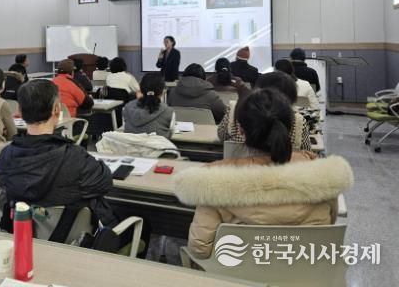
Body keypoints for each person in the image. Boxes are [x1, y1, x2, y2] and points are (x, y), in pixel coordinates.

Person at [174, 88, 353, 259]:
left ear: (241, 131)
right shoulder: (325, 176)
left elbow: (200, 249)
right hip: (308, 271)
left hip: (234, 274)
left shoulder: (212, 181)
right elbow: (328, 226)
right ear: (291, 128)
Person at [0, 79, 116, 226]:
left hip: (24, 233)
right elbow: (105, 182)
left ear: (19, 111)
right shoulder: (75, 158)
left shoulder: (5, 156)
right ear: (57, 110)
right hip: (72, 235)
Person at [218, 71, 312, 151]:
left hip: (238, 166)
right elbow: (306, 152)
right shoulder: (298, 122)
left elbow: (222, 137)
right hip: (282, 167)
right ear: (290, 99)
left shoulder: (234, 110)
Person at [123, 73, 174, 138]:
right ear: (162, 92)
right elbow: (171, 134)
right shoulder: (169, 112)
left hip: (131, 144)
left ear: (141, 90)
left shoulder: (127, 108)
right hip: (157, 144)